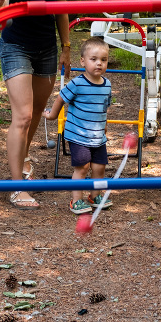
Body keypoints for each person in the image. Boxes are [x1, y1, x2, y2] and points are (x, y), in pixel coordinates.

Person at [0, 0, 72, 209]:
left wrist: (66, 46)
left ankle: (22, 155)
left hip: (47, 48)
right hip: (16, 47)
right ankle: (16, 187)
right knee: (22, 115)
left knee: (37, 112)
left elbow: (61, 9)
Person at [43, 38, 112, 214]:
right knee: (82, 168)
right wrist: (52, 115)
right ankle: (76, 200)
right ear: (83, 61)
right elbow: (61, 97)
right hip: (78, 135)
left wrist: (104, 125)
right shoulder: (77, 83)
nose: (99, 63)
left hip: (98, 136)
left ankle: (94, 196)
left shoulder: (107, 85)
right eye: (94, 59)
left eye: (103, 60)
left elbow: (104, 107)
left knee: (99, 168)